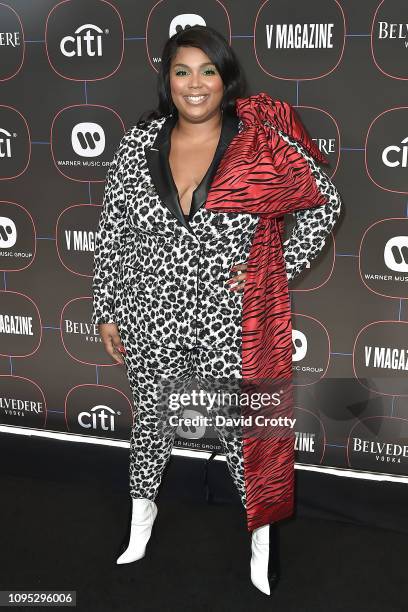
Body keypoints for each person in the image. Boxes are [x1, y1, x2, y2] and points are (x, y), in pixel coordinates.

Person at [92, 25, 342, 596]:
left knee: (242, 436)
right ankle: (139, 530)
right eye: (183, 71)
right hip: (147, 312)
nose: (195, 84)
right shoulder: (138, 144)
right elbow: (113, 233)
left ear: (227, 79)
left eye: (209, 71)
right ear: (167, 80)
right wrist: (107, 309)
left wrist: (271, 271)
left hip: (230, 322)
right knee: (150, 427)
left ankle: (259, 547)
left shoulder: (258, 144)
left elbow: (327, 204)